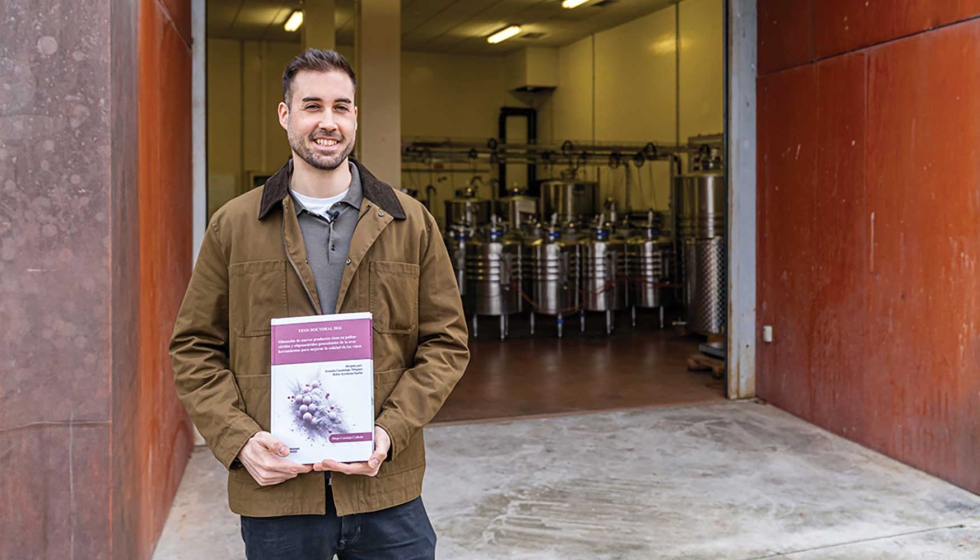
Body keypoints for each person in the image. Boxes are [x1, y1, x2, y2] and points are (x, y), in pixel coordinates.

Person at [170, 49, 469, 560]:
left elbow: (447, 343)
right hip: (279, 497)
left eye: (341, 107)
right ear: (285, 115)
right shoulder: (234, 225)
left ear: (355, 116)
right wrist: (239, 441)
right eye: (312, 106)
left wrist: (389, 432)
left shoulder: (409, 222)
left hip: (386, 491)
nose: (327, 122)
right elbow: (194, 348)